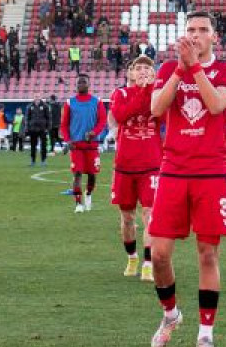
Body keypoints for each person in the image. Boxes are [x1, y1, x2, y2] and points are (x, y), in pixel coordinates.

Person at [146, 12, 226, 347]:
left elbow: (215, 104)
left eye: (203, 30)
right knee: (159, 253)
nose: (196, 35)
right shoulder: (170, 69)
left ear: (214, 37)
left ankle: (205, 334)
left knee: (207, 253)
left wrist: (195, 68)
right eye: (191, 30)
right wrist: (182, 69)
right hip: (173, 170)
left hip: (211, 172)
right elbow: (156, 108)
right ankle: (171, 315)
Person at [111, 57, 161, 281]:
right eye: (138, 68)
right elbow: (123, 115)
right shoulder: (119, 94)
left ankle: (148, 263)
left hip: (151, 164)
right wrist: (141, 90)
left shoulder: (158, 94)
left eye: (147, 68)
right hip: (125, 165)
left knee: (150, 215)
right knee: (127, 218)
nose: (142, 71)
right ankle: (132, 257)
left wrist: (150, 88)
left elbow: (161, 113)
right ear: (129, 73)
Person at [61, 74, 107, 212]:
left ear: (88, 84)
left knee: (92, 175)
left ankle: (88, 194)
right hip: (76, 145)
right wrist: (68, 140)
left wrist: (94, 132)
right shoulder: (70, 103)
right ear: (75, 85)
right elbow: (64, 125)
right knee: (77, 173)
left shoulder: (97, 101)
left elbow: (102, 121)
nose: (81, 84)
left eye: (83, 82)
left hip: (92, 145)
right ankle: (78, 204)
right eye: (78, 82)